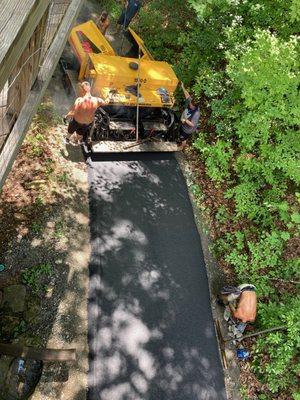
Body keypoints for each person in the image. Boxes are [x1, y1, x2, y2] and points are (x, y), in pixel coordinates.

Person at [179, 82, 200, 149]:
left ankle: (182, 146)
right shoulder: (191, 101)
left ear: (195, 106)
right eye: (190, 103)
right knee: (182, 135)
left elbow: (192, 124)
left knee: (183, 137)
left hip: (188, 129)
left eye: (191, 104)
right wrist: (182, 87)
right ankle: (183, 143)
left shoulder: (196, 114)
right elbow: (187, 95)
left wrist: (185, 120)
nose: (189, 104)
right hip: (184, 123)